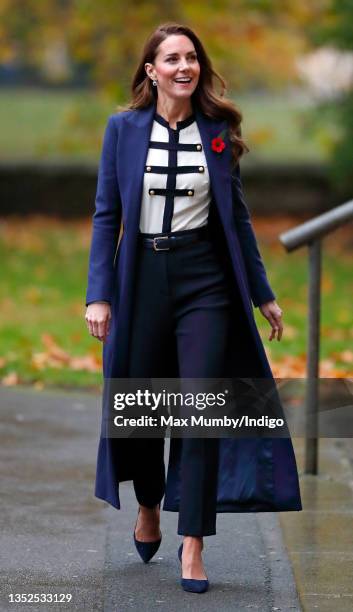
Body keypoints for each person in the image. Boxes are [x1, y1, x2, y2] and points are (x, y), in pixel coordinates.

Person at [85, 22, 302, 594]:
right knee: (143, 407)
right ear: (151, 71)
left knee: (199, 407)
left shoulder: (219, 132)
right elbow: (108, 215)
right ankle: (150, 504)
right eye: (172, 58)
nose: (185, 67)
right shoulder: (122, 130)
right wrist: (98, 295)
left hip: (205, 282)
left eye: (192, 58)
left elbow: (239, 219)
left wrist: (262, 294)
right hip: (141, 280)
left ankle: (193, 542)